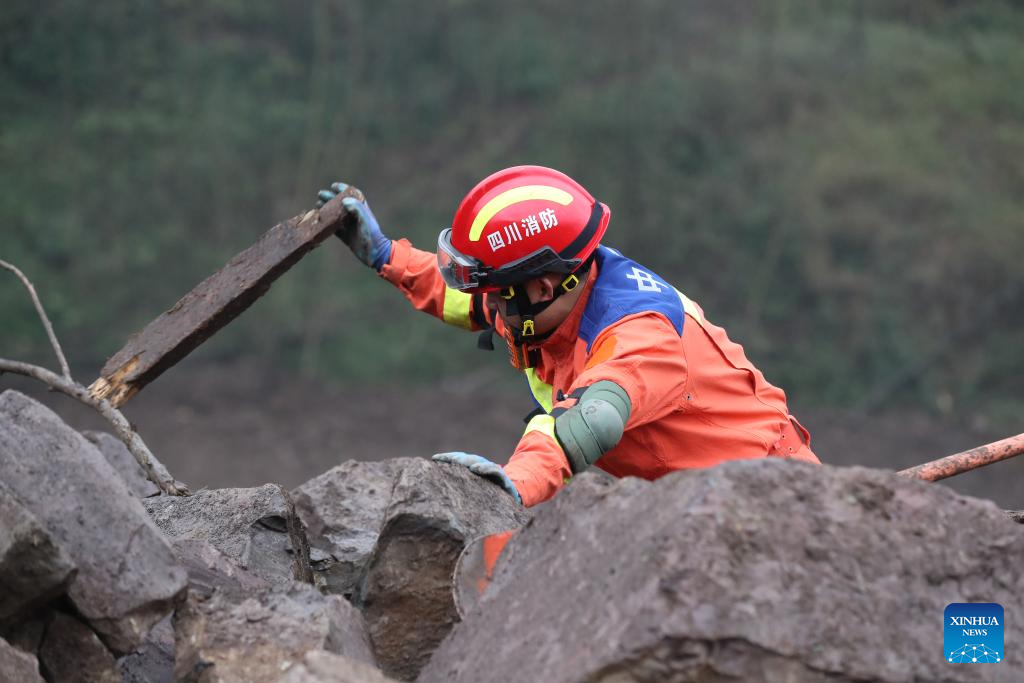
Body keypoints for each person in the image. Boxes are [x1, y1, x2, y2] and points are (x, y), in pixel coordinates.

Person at [317, 166, 818, 507]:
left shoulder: (640, 335)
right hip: (688, 500)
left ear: (539, 287)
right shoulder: (549, 298)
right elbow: (468, 301)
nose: (487, 306)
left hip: (770, 495)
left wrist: (514, 482)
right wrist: (386, 256)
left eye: (495, 294)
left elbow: (590, 420)